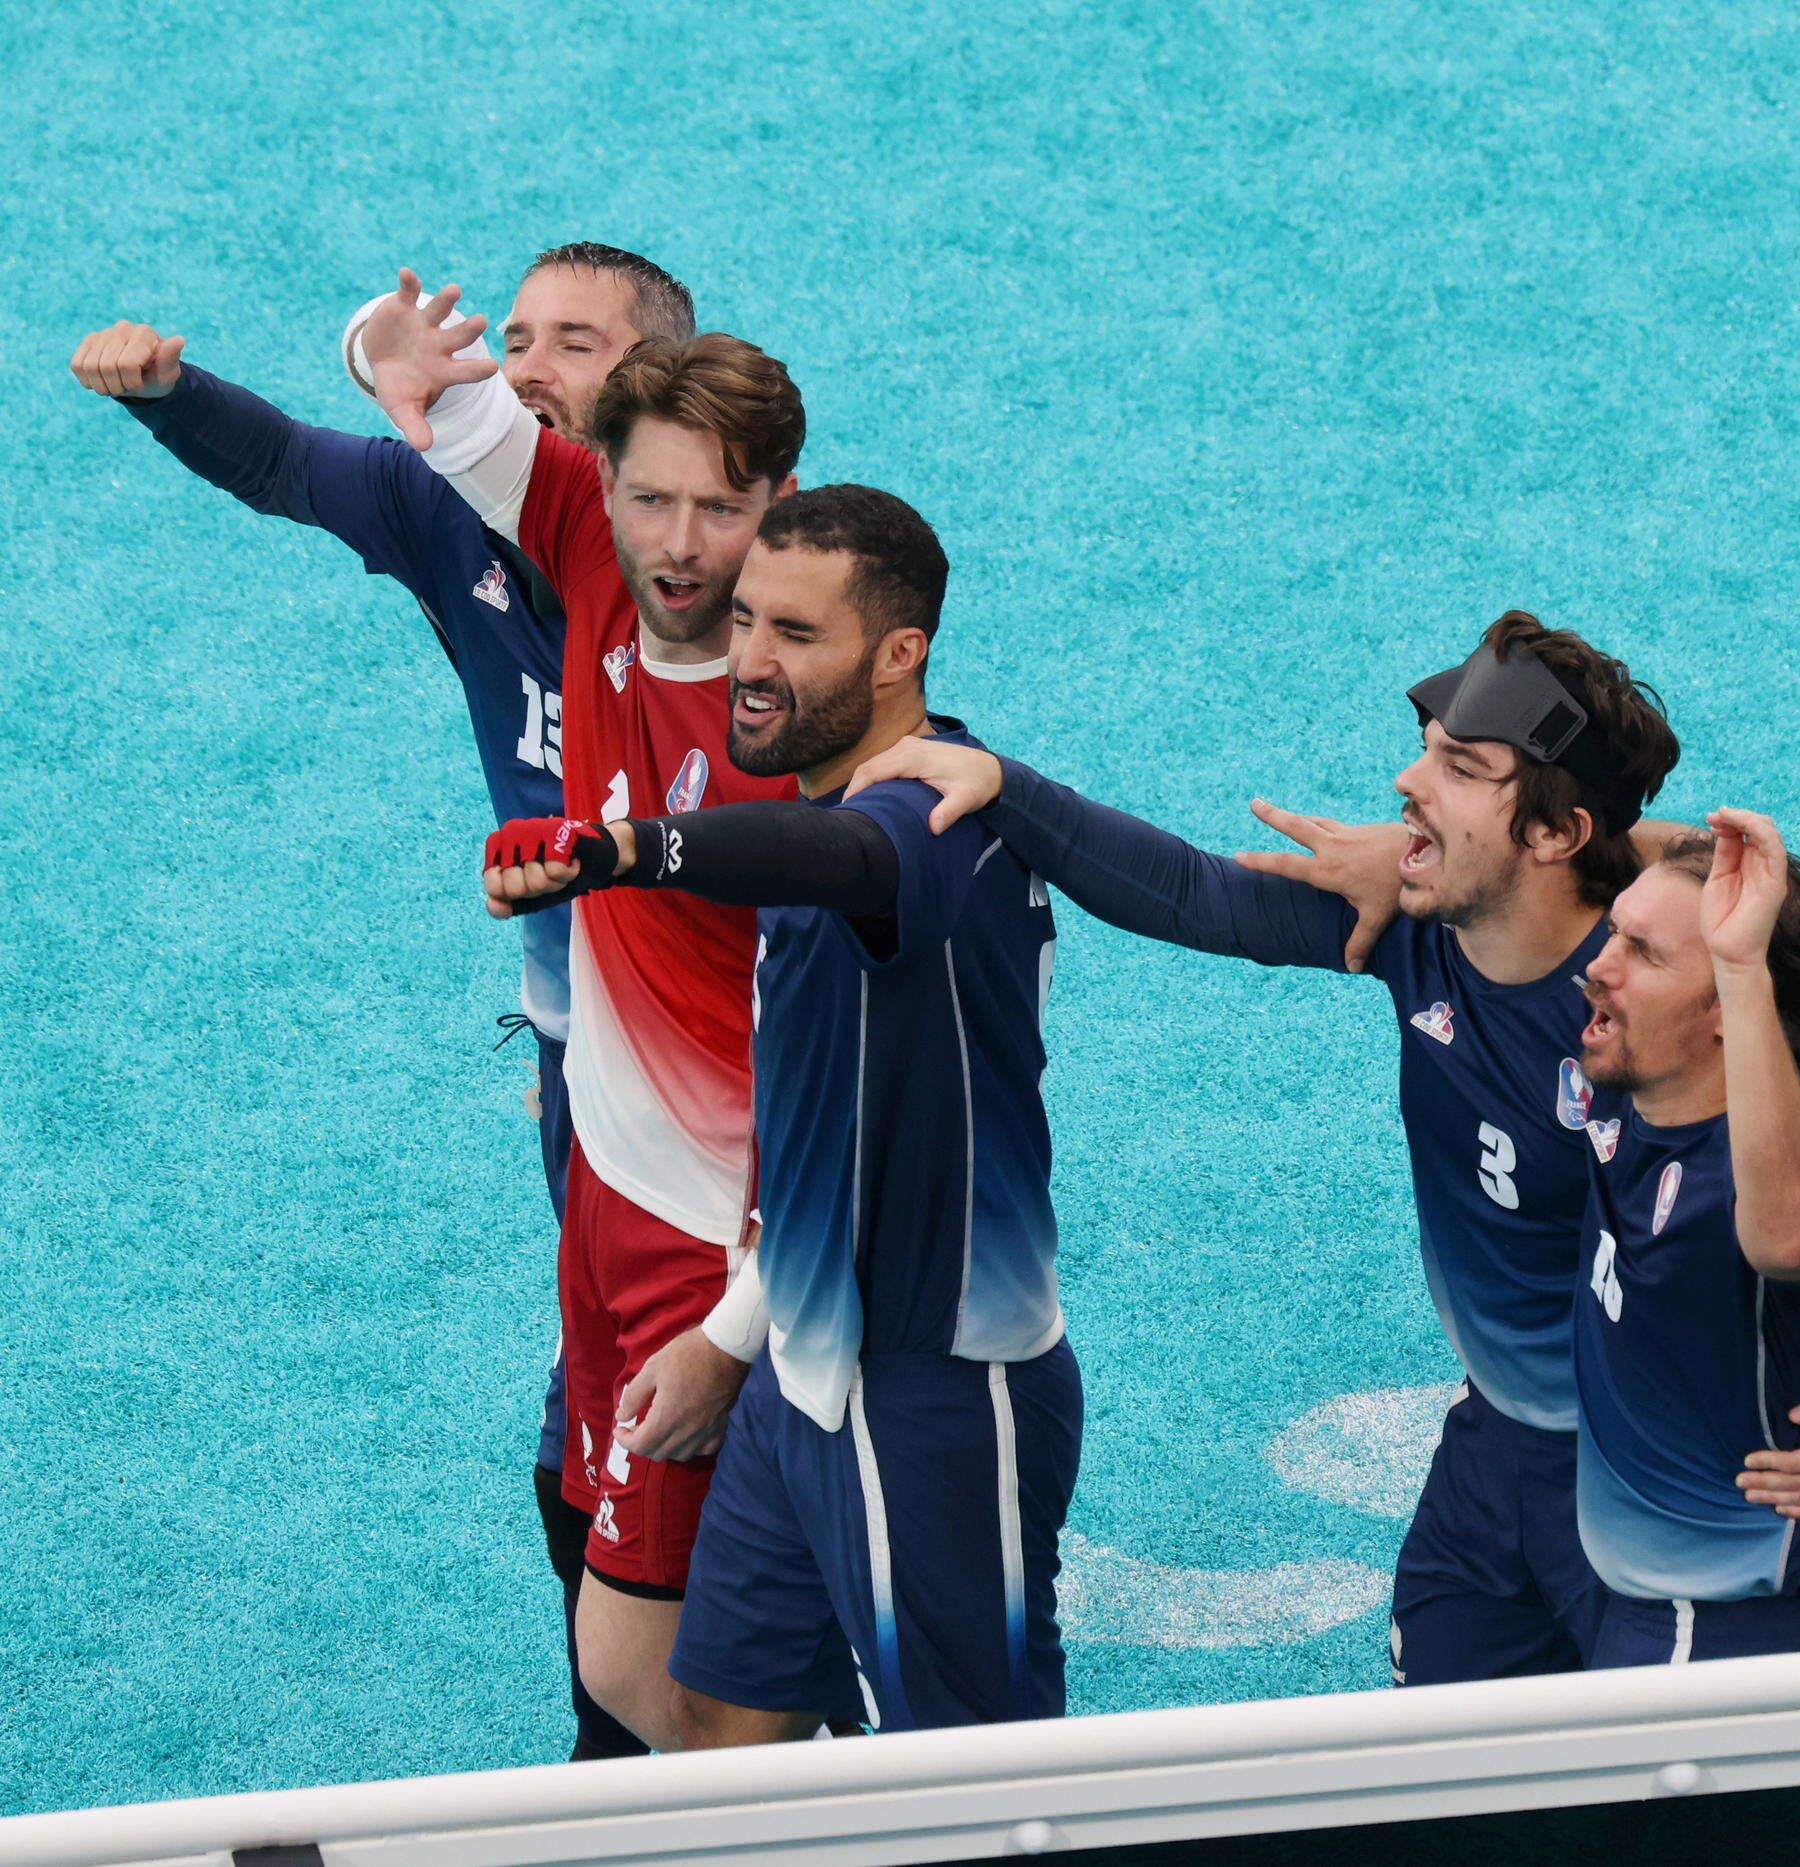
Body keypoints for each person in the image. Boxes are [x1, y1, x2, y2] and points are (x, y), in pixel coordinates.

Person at [844, 614, 1800, 1682]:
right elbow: (1189, 892)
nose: (1408, 785)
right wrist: (1001, 784)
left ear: (1554, 833)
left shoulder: (1651, 998)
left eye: (1458, 765)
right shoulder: (1421, 929)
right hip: (1494, 1445)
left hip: (1649, 1478)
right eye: (1424, 754)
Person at [64, 241, 694, 1762]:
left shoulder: (731, 566)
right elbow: (287, 459)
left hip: (733, 1041)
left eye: (578, 343)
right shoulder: (444, 511)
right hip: (583, 1052)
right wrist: (167, 391)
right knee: (594, 1393)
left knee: (744, 1369)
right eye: (521, 334)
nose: (533, 363)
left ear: (664, 385)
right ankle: (619, 1755)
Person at [482, 483, 1075, 1741]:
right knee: (692, 1714)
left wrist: (624, 849)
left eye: (792, 636)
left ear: (899, 654)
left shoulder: (916, 827)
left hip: (929, 1388)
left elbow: (838, 865)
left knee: (976, 1779)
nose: (746, 661)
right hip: (805, 1370)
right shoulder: (843, 804)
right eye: (744, 621)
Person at [355, 281, 806, 1744]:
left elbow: (852, 1076)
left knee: (665, 1678)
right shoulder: (589, 551)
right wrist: (386, 350)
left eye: (721, 509)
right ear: (600, 483)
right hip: (609, 1194)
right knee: (629, 1658)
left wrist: (738, 1321)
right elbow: (439, 399)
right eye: (651, 497)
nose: (680, 546)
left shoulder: (805, 719)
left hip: (721, 1236)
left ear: (779, 505)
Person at [1569, 813, 1800, 1663]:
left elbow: (1794, 1239)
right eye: (1616, 933)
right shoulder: (1637, 1077)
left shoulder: (1785, 1163)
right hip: (1652, 1599)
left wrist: (1738, 963)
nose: (1594, 967)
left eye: (1643, 954)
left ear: (1728, 1006)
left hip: (1746, 1632)